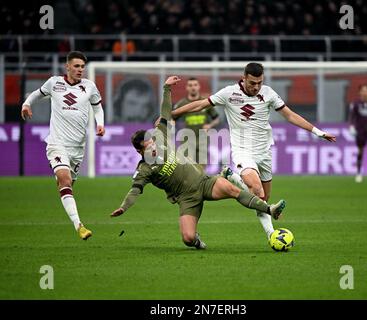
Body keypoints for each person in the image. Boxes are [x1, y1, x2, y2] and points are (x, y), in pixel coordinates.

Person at [110, 76, 286, 249]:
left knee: (232, 189)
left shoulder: (159, 136)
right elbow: (135, 190)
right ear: (139, 151)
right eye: (148, 148)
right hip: (187, 199)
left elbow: (165, 111)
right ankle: (197, 240)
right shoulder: (144, 169)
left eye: (152, 143)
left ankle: (269, 209)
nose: (153, 148)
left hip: (204, 183)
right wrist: (123, 207)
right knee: (187, 238)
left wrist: (166, 89)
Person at [171, 62, 336, 242]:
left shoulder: (268, 93)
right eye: (252, 83)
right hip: (243, 151)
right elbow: (200, 104)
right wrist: (171, 115)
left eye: (259, 83)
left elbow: (290, 115)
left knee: (263, 198)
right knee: (256, 189)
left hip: (264, 151)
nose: (256, 87)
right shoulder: (229, 93)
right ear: (244, 78)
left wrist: (318, 132)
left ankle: (232, 177)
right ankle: (272, 235)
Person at [21, 51, 105, 240]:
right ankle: (79, 226)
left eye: (82, 67)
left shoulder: (89, 86)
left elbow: (97, 107)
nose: (80, 70)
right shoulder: (54, 83)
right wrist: (26, 104)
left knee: (67, 185)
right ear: (67, 67)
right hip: (57, 143)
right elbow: (36, 94)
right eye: (76, 66)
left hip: (77, 148)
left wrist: (100, 124)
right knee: (65, 181)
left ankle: (61, 179)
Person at [173, 77, 220, 168]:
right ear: (187, 87)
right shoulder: (182, 104)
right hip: (187, 139)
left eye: (195, 85)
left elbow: (216, 119)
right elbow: (172, 118)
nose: (193, 87)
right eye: (190, 85)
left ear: (199, 87)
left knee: (202, 168)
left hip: (203, 139)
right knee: (189, 167)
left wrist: (210, 125)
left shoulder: (205, 102)